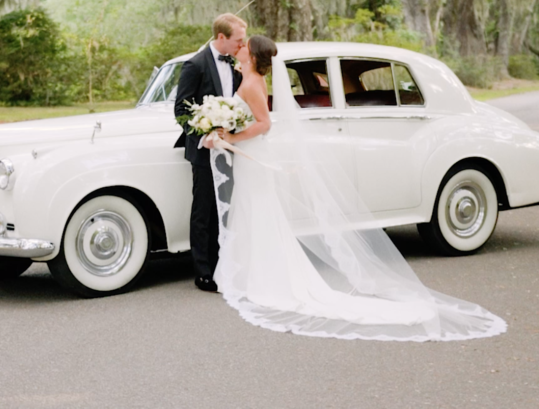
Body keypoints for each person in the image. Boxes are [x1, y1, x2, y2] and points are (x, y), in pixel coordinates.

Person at [204, 35, 507, 342]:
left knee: (260, 210)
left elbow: (264, 123)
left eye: (244, 46)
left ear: (254, 56)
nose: (239, 47)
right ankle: (247, 273)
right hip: (250, 156)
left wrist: (231, 137)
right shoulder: (247, 78)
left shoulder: (254, 83)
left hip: (253, 153)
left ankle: (262, 276)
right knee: (251, 210)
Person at [173, 13, 246, 292]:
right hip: (205, 150)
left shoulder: (237, 65)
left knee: (229, 209)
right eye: (238, 40)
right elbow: (181, 110)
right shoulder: (196, 64)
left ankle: (226, 264)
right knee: (204, 211)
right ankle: (204, 271)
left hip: (234, 147)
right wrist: (205, 134)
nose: (242, 44)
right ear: (221, 38)